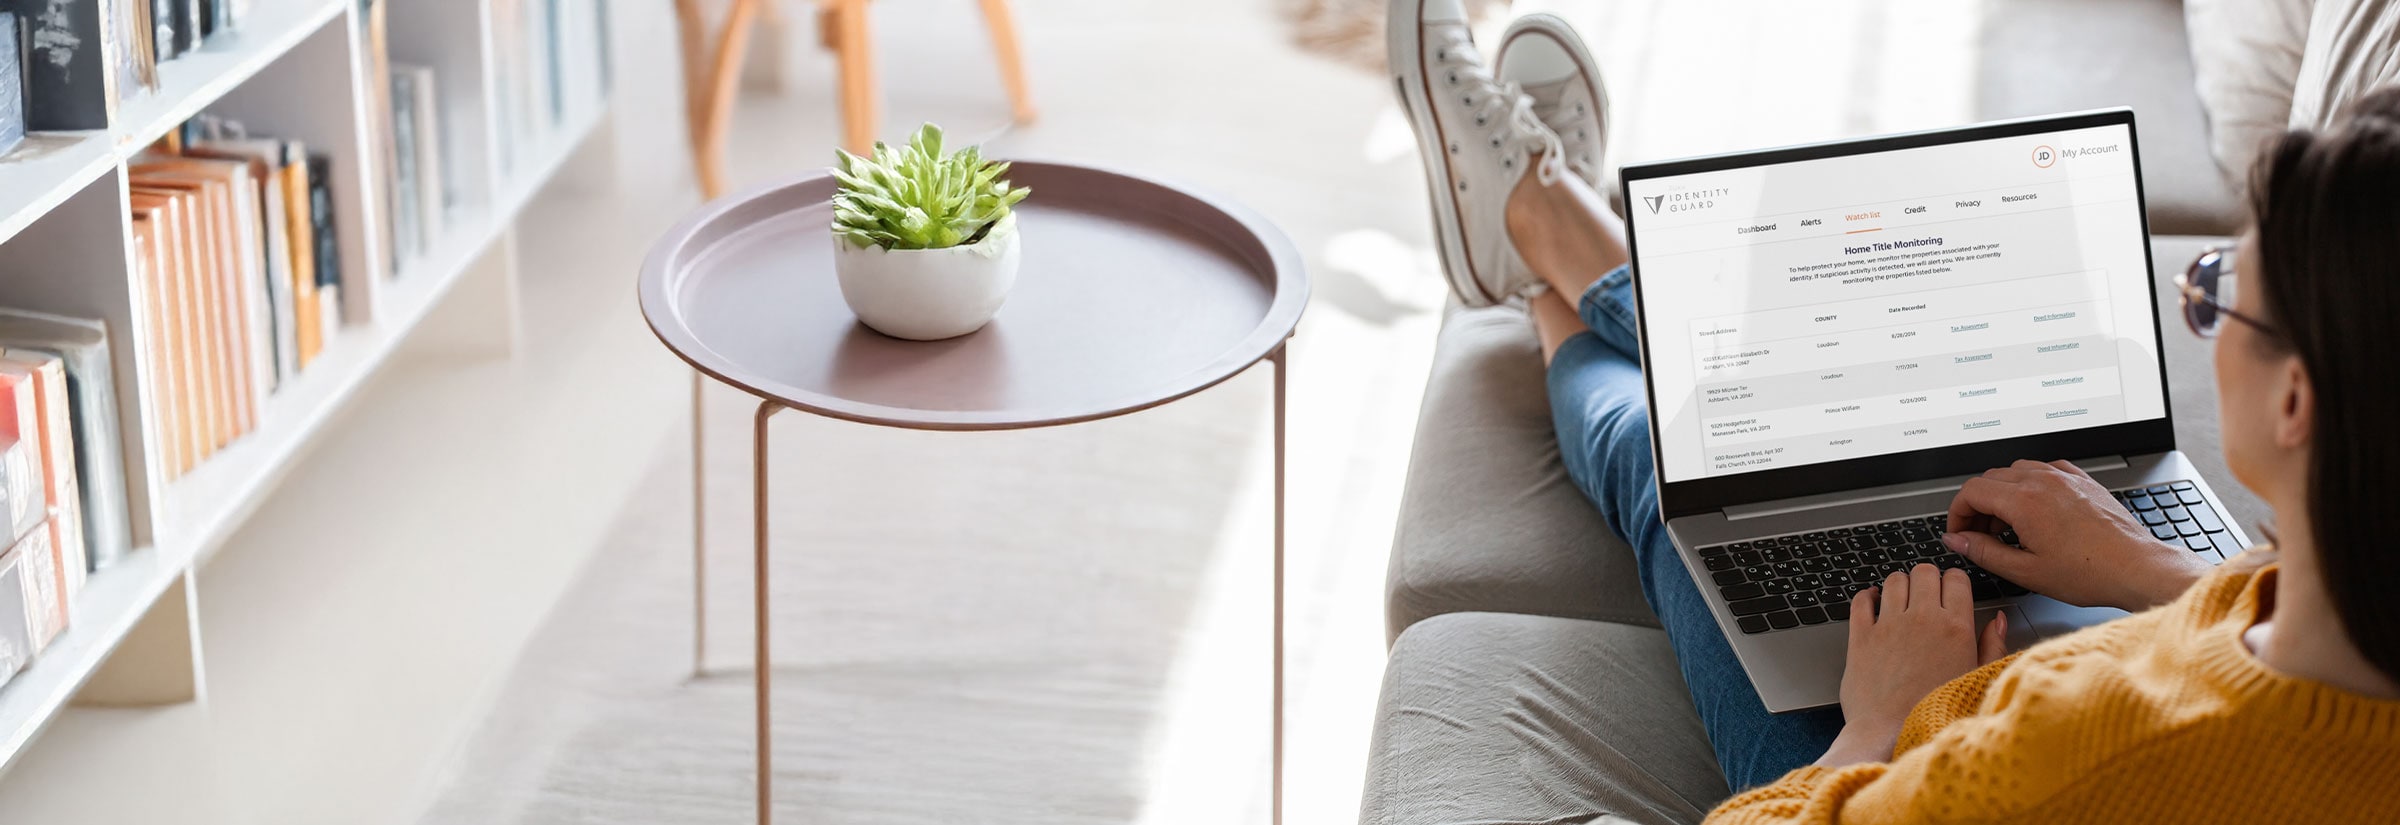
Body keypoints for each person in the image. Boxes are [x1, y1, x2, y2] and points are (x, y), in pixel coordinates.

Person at [1387, 0, 2400, 821]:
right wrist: (2159, 571)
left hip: (1924, 739)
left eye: (2214, 292)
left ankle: (1535, 229)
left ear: (2298, 397)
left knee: (1672, 463)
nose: (2203, 306)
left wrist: (1878, 726)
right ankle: (1542, 230)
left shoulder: (2070, 751)